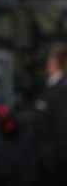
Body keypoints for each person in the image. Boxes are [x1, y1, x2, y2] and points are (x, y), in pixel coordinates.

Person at [33, 42, 67, 185]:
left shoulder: (63, 88)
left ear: (53, 61)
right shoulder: (53, 86)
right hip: (47, 157)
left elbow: (62, 128)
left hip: (55, 161)